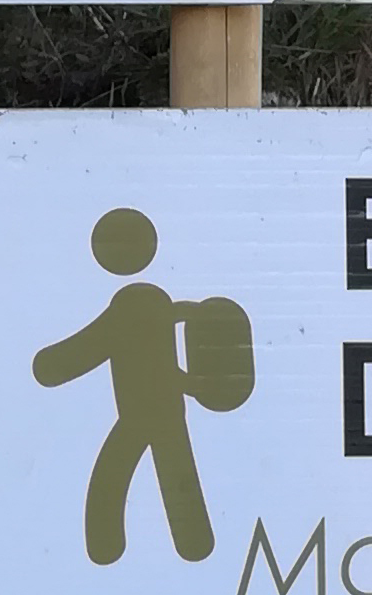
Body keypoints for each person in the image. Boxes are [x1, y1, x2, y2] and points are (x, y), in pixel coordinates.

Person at [33, 207, 254, 566]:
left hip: (155, 408)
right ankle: (182, 545)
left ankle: (171, 546)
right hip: (153, 409)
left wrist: (190, 380)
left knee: (138, 469)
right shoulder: (140, 313)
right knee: (153, 468)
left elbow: (68, 359)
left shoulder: (139, 312)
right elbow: (67, 359)